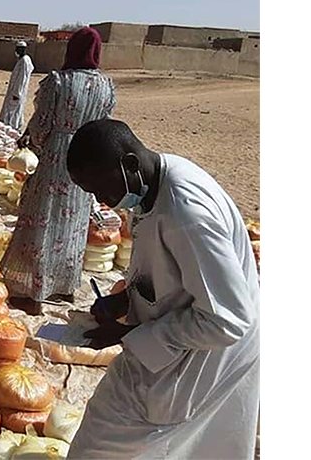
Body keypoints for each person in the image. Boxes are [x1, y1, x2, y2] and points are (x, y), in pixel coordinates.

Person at [63, 119, 260, 459]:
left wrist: (132, 333)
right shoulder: (150, 184)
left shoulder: (187, 215)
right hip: (172, 339)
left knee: (102, 444)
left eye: (101, 189)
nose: (102, 200)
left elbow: (228, 320)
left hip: (209, 350)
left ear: (129, 164)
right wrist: (126, 299)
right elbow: (165, 269)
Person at [0, 27, 116, 314]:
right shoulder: (106, 86)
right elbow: (104, 126)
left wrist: (30, 142)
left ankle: (34, 293)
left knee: (43, 221)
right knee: (73, 225)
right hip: (85, 161)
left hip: (55, 159)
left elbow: (42, 125)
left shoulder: (59, 82)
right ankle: (65, 288)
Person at [0, 40, 35, 130]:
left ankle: (12, 128)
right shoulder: (22, 60)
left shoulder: (24, 61)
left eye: (19, 49)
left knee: (12, 111)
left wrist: (17, 93)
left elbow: (22, 79)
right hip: (16, 91)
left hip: (17, 92)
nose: (17, 51)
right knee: (15, 110)